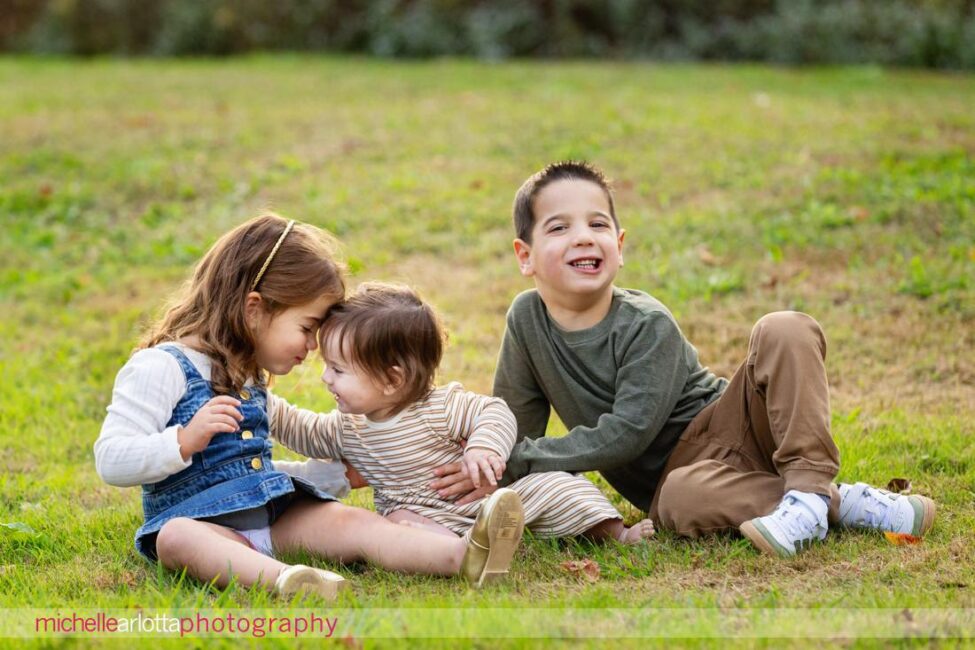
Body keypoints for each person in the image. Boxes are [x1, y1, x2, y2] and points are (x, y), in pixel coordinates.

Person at [431, 161, 937, 558]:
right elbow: (513, 424)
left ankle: (807, 486)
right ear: (525, 255)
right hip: (686, 486)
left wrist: (516, 459)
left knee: (784, 327)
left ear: (619, 246)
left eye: (598, 223)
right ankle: (838, 503)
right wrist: (486, 463)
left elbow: (630, 430)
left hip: (733, 427)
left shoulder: (646, 322)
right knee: (676, 502)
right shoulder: (526, 321)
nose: (583, 236)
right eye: (559, 227)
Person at [94, 214, 524, 598]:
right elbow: (111, 460)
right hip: (203, 526)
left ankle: (463, 555)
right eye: (307, 326)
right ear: (254, 310)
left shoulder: (247, 375)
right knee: (176, 539)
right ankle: (286, 580)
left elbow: (252, 468)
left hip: (275, 516)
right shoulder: (160, 366)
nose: (314, 345)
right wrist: (183, 442)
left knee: (353, 524)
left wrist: (335, 475)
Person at [272, 282, 655, 550]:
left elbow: (494, 411)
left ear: (392, 379)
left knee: (556, 485)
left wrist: (483, 448)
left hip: (481, 503)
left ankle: (616, 534)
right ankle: (463, 552)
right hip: (422, 518)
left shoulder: (438, 408)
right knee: (397, 527)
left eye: (339, 370)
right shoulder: (347, 426)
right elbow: (302, 430)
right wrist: (264, 405)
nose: (326, 378)